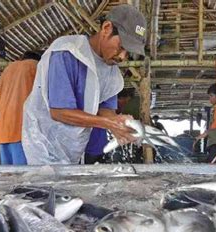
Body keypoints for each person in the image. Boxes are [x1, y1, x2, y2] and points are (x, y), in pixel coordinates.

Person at [22, 4, 146, 164]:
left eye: (128, 52)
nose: (122, 57)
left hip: (74, 146)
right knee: (42, 185)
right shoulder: (67, 52)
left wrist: (118, 122)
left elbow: (105, 109)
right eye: (121, 47)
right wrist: (108, 123)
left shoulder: (111, 72)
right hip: (43, 141)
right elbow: (59, 112)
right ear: (106, 28)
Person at [0, 51, 41, 165]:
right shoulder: (35, 66)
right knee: (26, 177)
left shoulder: (7, 70)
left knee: (9, 177)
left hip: (3, 132)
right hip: (23, 131)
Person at [84, 89, 135, 164]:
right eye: (125, 101)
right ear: (118, 99)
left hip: (100, 146)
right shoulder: (104, 104)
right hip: (91, 147)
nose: (125, 104)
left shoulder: (111, 109)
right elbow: (104, 112)